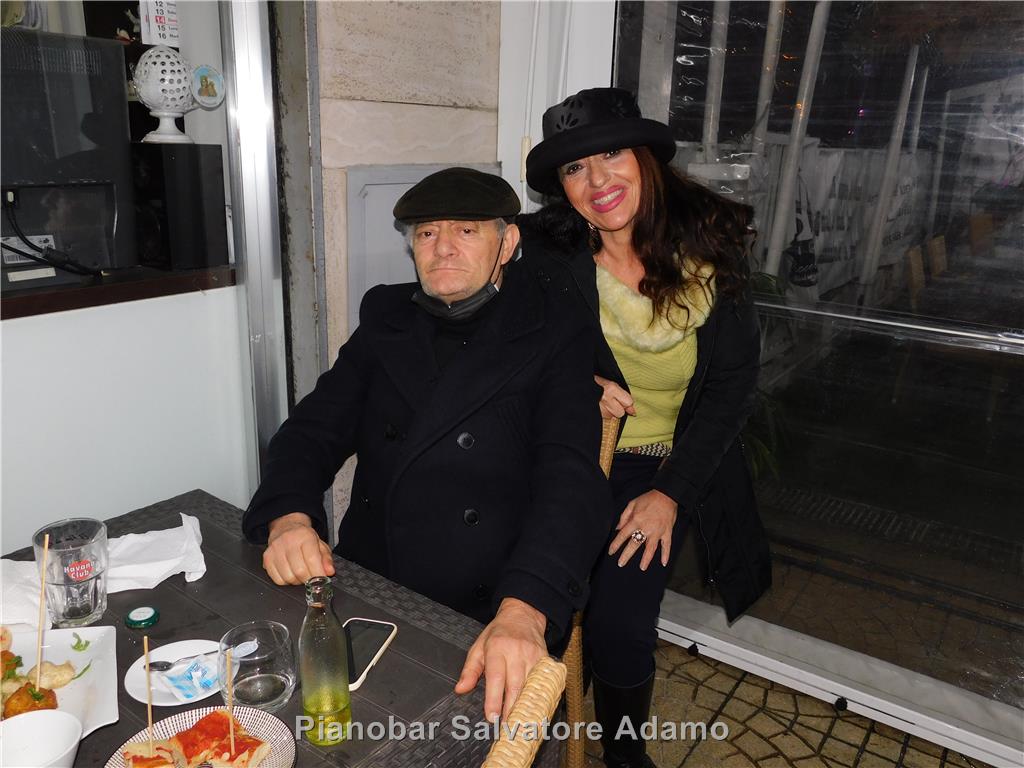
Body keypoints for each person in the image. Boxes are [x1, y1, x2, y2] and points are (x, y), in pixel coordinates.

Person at [242, 167, 613, 723]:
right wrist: (288, 517)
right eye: (427, 233)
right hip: (368, 584)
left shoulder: (554, 329)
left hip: (489, 603)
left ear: (507, 243)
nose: (443, 248)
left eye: (466, 231)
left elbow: (571, 480)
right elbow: (312, 429)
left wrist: (525, 609)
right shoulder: (385, 318)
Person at [521, 88, 772, 768]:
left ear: (646, 160)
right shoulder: (546, 254)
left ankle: (624, 755)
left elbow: (731, 388)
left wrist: (670, 493)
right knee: (541, 605)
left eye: (611, 155)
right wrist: (573, 384)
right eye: (575, 168)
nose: (597, 181)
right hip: (571, 459)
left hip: (664, 466)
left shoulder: (712, 249)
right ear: (561, 187)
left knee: (620, 625)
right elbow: (504, 346)